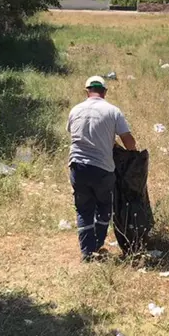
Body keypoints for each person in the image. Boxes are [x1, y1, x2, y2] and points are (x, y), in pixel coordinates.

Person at [66, 75, 136, 261]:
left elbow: (74, 133)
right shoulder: (113, 111)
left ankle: (86, 252)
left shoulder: (75, 110)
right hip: (103, 169)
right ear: (105, 92)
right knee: (104, 206)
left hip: (77, 167)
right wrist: (133, 154)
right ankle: (97, 244)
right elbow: (128, 141)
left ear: (86, 91)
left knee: (83, 209)